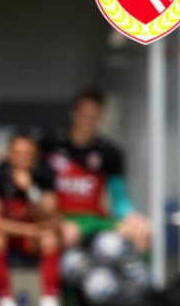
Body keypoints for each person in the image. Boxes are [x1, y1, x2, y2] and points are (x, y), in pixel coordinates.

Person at [42, 87, 151, 254]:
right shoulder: (50, 144)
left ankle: (140, 278)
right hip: (60, 218)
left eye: (94, 116)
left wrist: (132, 216)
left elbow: (120, 200)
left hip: (93, 218)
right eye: (85, 114)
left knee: (142, 230)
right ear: (74, 113)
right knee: (68, 234)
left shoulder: (109, 152)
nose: (88, 120)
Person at [0, 128, 62, 306]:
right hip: (12, 236)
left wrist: (30, 190)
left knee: (50, 238)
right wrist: (27, 230)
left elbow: (49, 214)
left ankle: (49, 305)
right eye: (17, 153)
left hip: (33, 239)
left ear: (35, 155)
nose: (22, 158)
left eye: (28, 154)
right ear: (9, 153)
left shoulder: (44, 172)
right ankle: (6, 303)